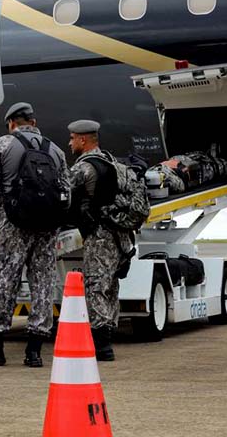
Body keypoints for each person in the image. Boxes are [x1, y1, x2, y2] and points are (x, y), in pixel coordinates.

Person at [0, 102, 69, 368]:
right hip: (45, 229)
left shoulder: (0, 146)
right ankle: (34, 351)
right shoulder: (55, 150)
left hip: (12, 226)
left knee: (2, 284)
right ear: (33, 122)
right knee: (43, 285)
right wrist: (54, 225)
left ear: (11, 123)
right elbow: (66, 195)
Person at [67, 119, 133, 361]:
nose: (70, 142)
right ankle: (108, 336)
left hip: (99, 236)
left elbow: (63, 194)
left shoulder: (83, 168)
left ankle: (102, 346)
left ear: (83, 140)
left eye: (73, 138)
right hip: (120, 235)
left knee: (96, 287)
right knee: (111, 286)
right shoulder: (115, 165)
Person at [145, 146, 227, 196]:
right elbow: (183, 184)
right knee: (215, 167)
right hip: (186, 167)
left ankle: (221, 160)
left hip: (182, 163)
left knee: (208, 163)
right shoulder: (172, 182)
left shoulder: (151, 175)